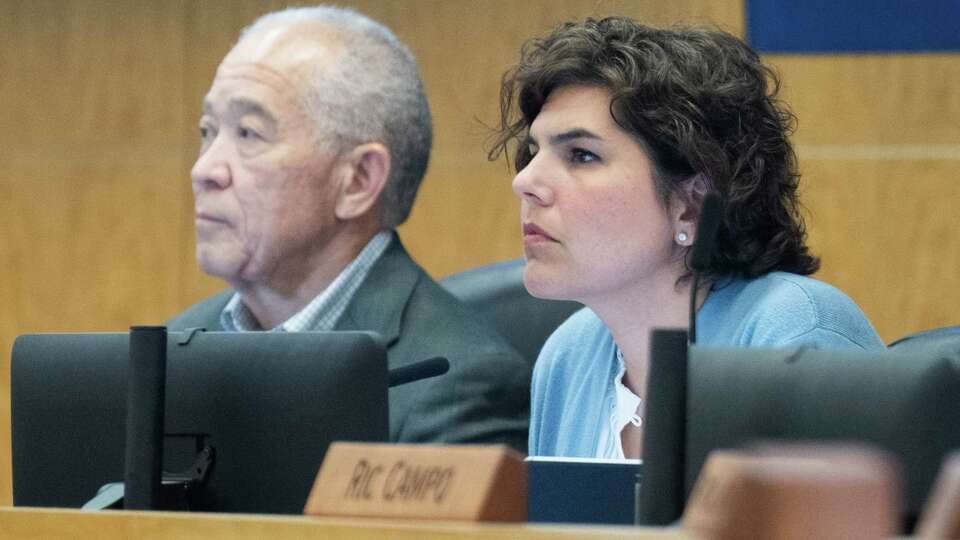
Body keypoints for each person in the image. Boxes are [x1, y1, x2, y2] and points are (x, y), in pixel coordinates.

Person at [489, 16, 885, 459]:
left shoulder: (795, 338)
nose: (524, 180)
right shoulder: (568, 356)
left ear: (692, 204)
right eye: (532, 152)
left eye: (582, 155)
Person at [167, 6, 529, 451]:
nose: (204, 170)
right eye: (208, 131)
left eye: (248, 134)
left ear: (357, 180)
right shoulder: (171, 352)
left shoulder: (459, 387)